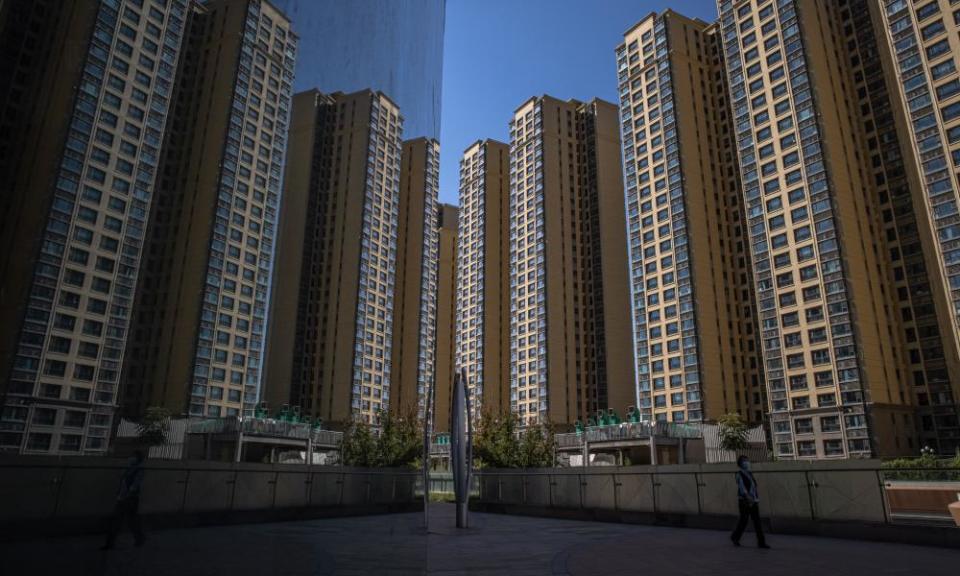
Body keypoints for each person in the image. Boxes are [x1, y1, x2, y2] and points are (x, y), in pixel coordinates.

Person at [102, 450, 146, 550]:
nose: (130, 458)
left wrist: (126, 495)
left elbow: (135, 485)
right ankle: (139, 538)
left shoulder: (138, 470)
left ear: (137, 458)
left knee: (119, 520)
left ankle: (110, 543)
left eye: (132, 456)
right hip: (125, 498)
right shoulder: (130, 468)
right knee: (129, 520)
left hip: (129, 498)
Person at [730, 454, 769, 548]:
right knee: (744, 520)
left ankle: (761, 542)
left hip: (753, 500)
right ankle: (735, 537)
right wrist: (748, 497)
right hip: (745, 501)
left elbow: (753, 487)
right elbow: (742, 487)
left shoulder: (750, 474)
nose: (747, 462)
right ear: (741, 463)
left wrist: (755, 498)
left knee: (757, 521)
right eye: (744, 461)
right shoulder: (739, 474)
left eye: (747, 460)